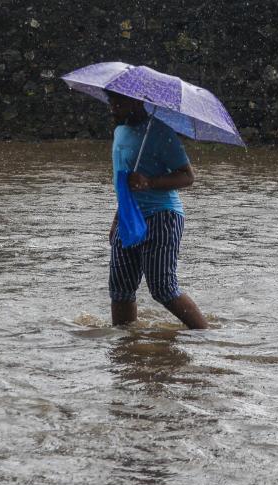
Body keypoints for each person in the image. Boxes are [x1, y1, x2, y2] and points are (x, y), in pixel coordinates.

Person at [105, 90, 208, 330]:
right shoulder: (120, 132)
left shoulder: (161, 133)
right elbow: (123, 183)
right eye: (111, 102)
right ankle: (126, 344)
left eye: (119, 101)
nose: (113, 108)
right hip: (129, 216)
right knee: (120, 290)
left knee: (163, 288)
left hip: (162, 216)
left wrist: (150, 182)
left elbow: (188, 176)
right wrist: (116, 219)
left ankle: (205, 335)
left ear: (136, 101)